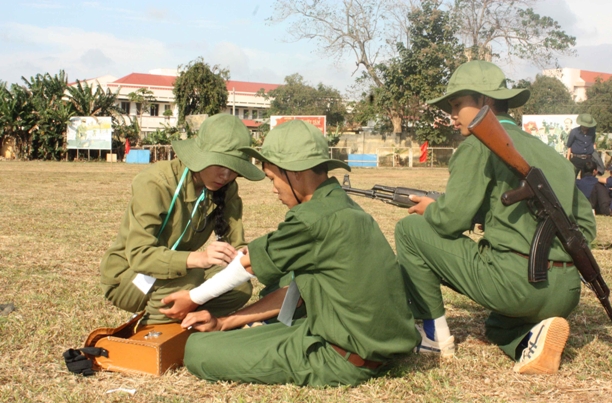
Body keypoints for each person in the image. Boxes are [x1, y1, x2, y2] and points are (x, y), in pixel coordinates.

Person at [166, 120, 419, 386]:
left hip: (339, 356)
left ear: (295, 172)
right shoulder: (341, 205)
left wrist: (193, 297)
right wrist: (224, 323)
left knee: (198, 350)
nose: (273, 188)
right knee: (284, 281)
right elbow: (296, 290)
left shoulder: (311, 218)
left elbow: (247, 265)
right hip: (368, 341)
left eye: (273, 178)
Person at [394, 60, 596, 374]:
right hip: (566, 292)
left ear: (485, 102)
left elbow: (450, 220)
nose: (452, 113)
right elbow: (586, 227)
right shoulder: (551, 154)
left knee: (410, 229)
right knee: (498, 325)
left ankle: (433, 336)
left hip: (516, 287)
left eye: (457, 104)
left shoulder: (477, 145)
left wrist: (430, 208)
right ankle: (531, 340)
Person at [99, 114, 265, 325]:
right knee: (193, 279)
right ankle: (150, 334)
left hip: (178, 271)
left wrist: (244, 255)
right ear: (200, 156)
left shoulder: (226, 189)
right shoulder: (156, 183)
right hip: (129, 276)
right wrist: (201, 259)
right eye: (220, 164)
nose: (226, 175)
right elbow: (139, 255)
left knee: (239, 286)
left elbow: (236, 244)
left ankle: (188, 324)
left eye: (234, 168)